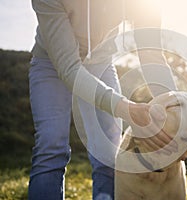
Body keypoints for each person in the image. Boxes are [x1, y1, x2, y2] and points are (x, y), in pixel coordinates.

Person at [29, 0, 177, 199]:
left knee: (108, 152)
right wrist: (125, 108)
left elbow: (151, 53)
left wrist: (175, 111)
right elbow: (69, 69)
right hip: (52, 64)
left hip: (101, 63)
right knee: (51, 144)